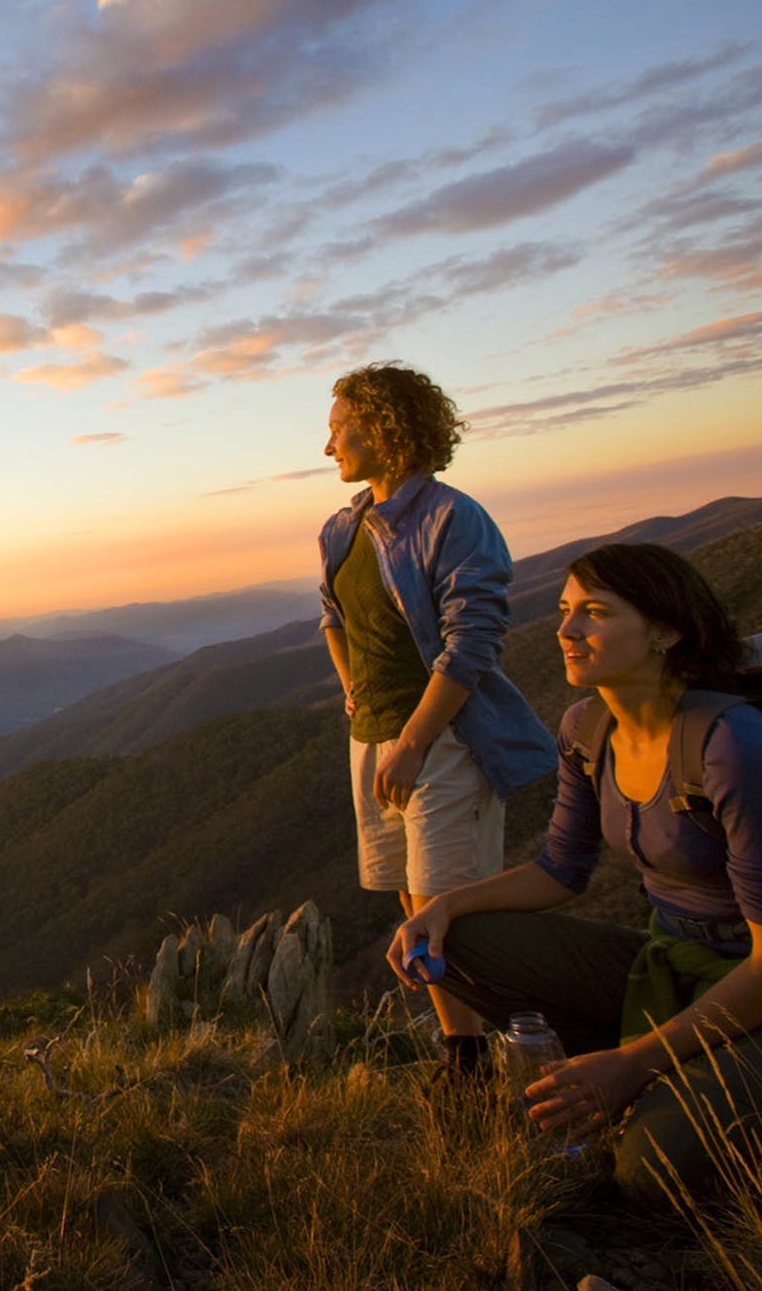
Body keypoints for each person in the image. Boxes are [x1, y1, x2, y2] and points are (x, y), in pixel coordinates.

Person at [390, 543, 762, 1203]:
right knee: (467, 944)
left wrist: (633, 1062)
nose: (565, 630)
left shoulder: (734, 750)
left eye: (593, 612)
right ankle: (669, 1068)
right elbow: (560, 869)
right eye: (565, 610)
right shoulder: (588, 728)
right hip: (675, 963)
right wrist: (444, 908)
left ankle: (697, 1078)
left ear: (665, 632)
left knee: (652, 1167)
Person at [318, 363, 554, 1077]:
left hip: (444, 739)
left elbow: (473, 640)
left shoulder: (453, 519)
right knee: (407, 890)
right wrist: (355, 690)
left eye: (338, 428)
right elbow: (333, 617)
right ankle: (462, 1046)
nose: (328, 446)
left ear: (385, 428)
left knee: (445, 899)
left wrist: (416, 739)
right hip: (374, 736)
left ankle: (479, 1057)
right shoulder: (342, 527)